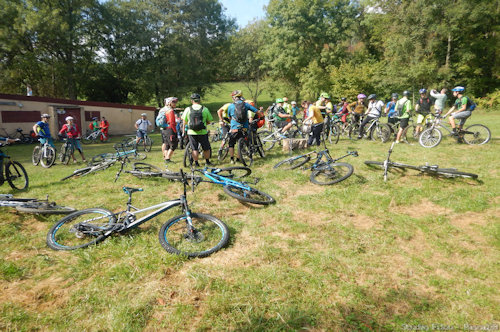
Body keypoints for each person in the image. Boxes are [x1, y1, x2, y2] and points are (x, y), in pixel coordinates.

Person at [226, 90, 258, 164]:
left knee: (231, 143)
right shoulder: (246, 104)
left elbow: (229, 117)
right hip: (244, 127)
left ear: (234, 97)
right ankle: (238, 158)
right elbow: (256, 111)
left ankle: (231, 159)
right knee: (241, 143)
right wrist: (262, 116)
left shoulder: (230, 106)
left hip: (234, 127)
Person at [182, 93, 213, 166]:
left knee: (194, 148)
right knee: (206, 148)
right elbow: (209, 121)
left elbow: (184, 121)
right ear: (199, 100)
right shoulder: (205, 109)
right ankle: (207, 162)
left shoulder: (188, 109)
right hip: (202, 132)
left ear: (191, 101)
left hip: (191, 132)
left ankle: (196, 163)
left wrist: (186, 128)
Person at [158, 97, 179, 163]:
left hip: (163, 129)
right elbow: (172, 122)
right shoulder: (170, 110)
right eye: (173, 102)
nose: (175, 103)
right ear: (169, 103)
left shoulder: (162, 109)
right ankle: (167, 158)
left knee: (166, 144)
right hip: (170, 129)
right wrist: (175, 130)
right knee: (174, 144)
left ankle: (165, 157)